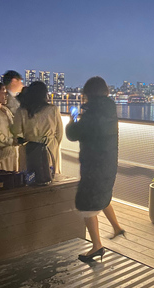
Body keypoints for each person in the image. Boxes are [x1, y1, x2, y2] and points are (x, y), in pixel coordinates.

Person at [66, 76, 125, 262]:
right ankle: (117, 228)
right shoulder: (109, 110)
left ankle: (97, 246)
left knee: (86, 206)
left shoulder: (92, 114)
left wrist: (72, 120)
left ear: (88, 93)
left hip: (94, 165)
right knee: (103, 195)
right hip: (108, 163)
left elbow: (73, 134)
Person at [12, 82, 63, 174]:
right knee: (48, 175)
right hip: (49, 146)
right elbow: (59, 133)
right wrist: (54, 143)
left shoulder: (21, 111)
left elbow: (16, 132)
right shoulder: (53, 109)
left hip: (29, 147)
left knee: (29, 177)